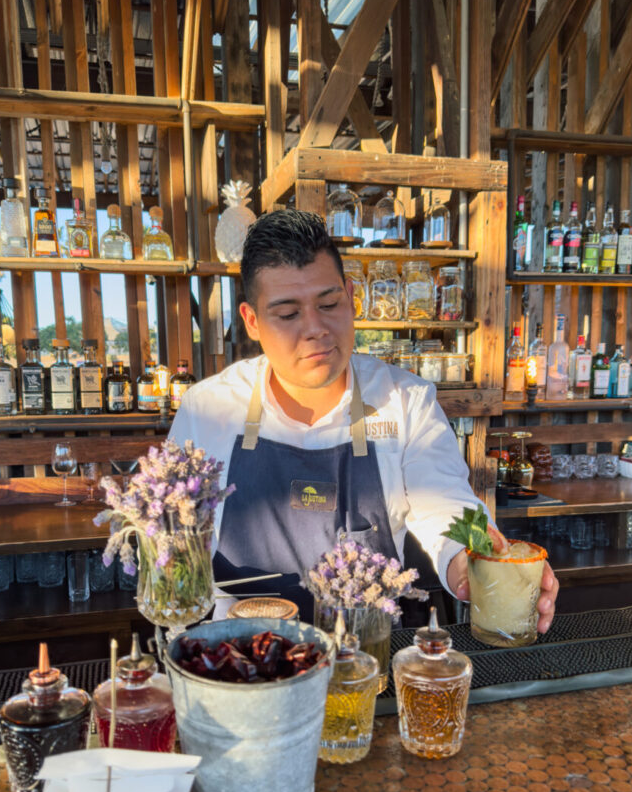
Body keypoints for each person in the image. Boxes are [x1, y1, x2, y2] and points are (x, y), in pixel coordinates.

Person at [171, 209, 558, 624]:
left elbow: (444, 504)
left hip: (368, 655)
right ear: (251, 320)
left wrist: (473, 561)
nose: (315, 328)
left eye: (330, 303)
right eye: (287, 314)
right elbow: (171, 541)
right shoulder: (208, 409)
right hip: (247, 656)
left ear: (350, 296)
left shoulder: (406, 401)